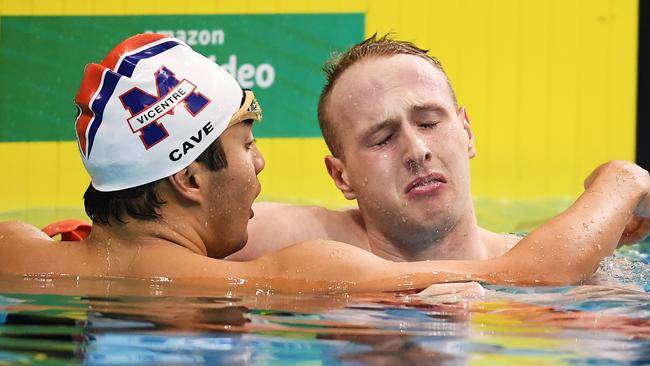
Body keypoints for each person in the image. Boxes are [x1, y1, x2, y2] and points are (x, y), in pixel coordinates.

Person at [0, 34, 645, 293]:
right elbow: (539, 272)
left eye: (428, 121)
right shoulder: (294, 272)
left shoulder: (18, 250)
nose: (260, 165)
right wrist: (622, 179)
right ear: (189, 176)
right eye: (246, 143)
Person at [230, 34, 650, 266]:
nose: (417, 150)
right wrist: (620, 179)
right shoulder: (305, 243)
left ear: (467, 132)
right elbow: (166, 245)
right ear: (341, 177)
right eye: (382, 138)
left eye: (430, 122)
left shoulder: (580, 270)